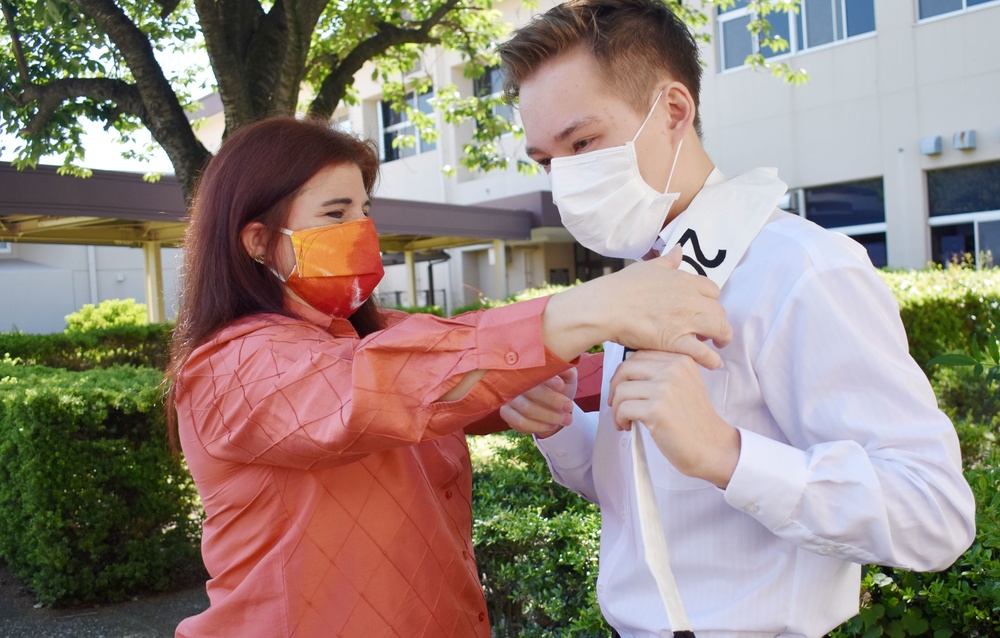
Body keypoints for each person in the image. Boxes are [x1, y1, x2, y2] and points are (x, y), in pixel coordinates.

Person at [495, 1, 977, 637]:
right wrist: (558, 428)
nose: (565, 181)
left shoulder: (803, 270)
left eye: (583, 143)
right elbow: (645, 496)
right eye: (544, 161)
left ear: (673, 111)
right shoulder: (643, 277)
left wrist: (726, 453)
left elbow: (933, 513)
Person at [164, 115, 732, 638]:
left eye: (364, 211)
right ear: (259, 240)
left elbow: (471, 369)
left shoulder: (375, 333)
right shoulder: (229, 367)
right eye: (335, 214)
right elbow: (382, 386)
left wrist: (662, 356)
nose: (360, 229)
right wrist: (584, 311)